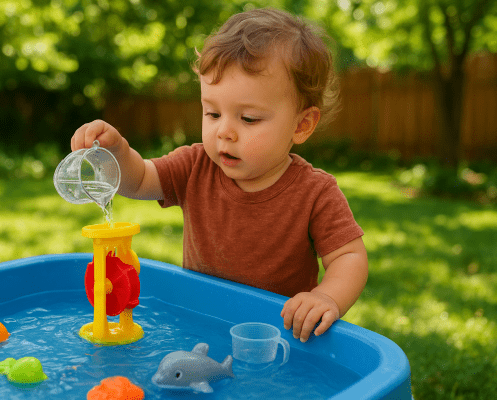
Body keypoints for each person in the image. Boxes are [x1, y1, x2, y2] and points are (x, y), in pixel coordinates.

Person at [70, 8, 368, 342]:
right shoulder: (195, 166)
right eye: (212, 112)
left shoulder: (315, 192)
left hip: (274, 337)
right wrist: (118, 153)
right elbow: (139, 180)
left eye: (249, 119)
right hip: (200, 323)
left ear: (302, 125)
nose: (224, 131)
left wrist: (327, 297)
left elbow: (349, 257)